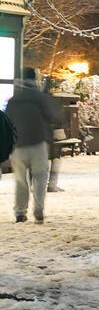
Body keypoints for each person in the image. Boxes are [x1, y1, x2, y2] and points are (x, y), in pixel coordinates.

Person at [5, 68, 61, 224]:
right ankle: (39, 209)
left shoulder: (12, 100)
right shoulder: (40, 97)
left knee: (21, 181)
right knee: (40, 178)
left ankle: (20, 213)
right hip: (38, 143)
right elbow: (54, 116)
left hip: (17, 146)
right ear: (35, 79)